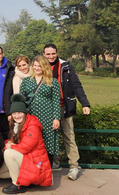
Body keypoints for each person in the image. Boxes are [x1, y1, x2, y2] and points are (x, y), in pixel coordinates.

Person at [43, 44, 91, 181]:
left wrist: (85, 103)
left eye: (53, 53)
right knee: (48, 137)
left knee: (69, 136)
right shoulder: (40, 67)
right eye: (48, 54)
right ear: (44, 54)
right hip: (47, 108)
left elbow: (76, 86)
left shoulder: (67, 67)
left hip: (64, 106)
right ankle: (52, 162)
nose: (51, 56)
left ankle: (74, 166)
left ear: (57, 53)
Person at [0, 94, 52, 194]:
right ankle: (26, 180)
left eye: (20, 113)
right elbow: (13, 142)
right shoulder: (15, 124)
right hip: (26, 159)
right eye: (14, 113)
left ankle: (18, 185)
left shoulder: (32, 125)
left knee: (8, 153)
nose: (17, 116)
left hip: (37, 166)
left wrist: (10, 146)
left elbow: (24, 148)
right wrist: (8, 143)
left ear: (24, 112)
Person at [19, 56, 61, 166]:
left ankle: (47, 171)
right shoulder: (27, 81)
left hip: (47, 117)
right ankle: (33, 170)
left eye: (39, 66)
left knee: (48, 143)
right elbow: (21, 100)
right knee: (32, 141)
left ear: (45, 67)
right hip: (31, 116)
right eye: (35, 66)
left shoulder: (53, 82)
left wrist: (56, 118)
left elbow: (56, 101)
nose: (37, 68)